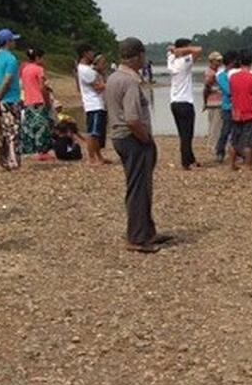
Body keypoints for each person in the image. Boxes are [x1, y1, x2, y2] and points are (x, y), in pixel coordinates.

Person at [106, 37, 167, 255]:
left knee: (140, 186)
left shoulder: (113, 77)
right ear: (138, 55)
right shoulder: (129, 81)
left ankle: (147, 230)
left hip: (120, 136)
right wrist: (146, 139)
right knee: (139, 188)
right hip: (132, 138)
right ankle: (137, 237)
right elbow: (132, 118)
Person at [166, 38, 203, 170]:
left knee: (183, 133)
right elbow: (198, 50)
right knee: (187, 135)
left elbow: (169, 51)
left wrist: (174, 50)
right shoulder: (184, 62)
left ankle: (190, 158)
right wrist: (181, 50)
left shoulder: (171, 61)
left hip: (174, 102)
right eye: (188, 47)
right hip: (185, 102)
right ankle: (185, 162)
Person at [0, 28, 23, 170]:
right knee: (13, 130)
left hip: (1, 100)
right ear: (8, 42)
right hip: (10, 99)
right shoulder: (11, 59)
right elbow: (7, 79)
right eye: (13, 40)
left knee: (3, 130)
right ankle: (13, 160)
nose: (14, 42)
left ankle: (3, 160)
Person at [227, 49, 252, 172]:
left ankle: (232, 164)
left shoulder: (233, 77)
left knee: (234, 139)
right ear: (251, 62)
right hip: (249, 111)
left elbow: (231, 93)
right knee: (248, 141)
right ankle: (248, 166)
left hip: (236, 111)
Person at [75, 43, 110, 165]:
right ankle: (91, 158)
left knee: (97, 132)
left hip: (97, 103)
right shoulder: (85, 70)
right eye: (91, 52)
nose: (93, 55)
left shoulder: (87, 69)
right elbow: (98, 87)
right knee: (93, 133)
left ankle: (99, 157)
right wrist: (110, 84)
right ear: (85, 53)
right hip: (94, 104)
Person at [19, 47, 53, 161]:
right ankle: (42, 151)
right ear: (37, 58)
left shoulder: (24, 69)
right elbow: (42, 87)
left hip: (28, 101)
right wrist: (47, 101)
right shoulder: (39, 69)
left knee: (30, 125)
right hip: (38, 100)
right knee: (42, 126)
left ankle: (30, 149)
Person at [211, 51, 237, 162]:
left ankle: (237, 152)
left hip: (237, 106)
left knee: (237, 131)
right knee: (226, 131)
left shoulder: (236, 74)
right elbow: (229, 91)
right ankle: (220, 152)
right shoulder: (221, 76)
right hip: (227, 107)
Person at [202, 51, 224, 156]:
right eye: (218, 61)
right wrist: (205, 102)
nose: (220, 62)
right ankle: (215, 148)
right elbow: (206, 88)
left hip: (216, 102)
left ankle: (215, 146)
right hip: (214, 102)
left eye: (220, 60)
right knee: (216, 126)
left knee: (215, 125)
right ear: (211, 61)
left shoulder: (217, 71)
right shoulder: (210, 73)